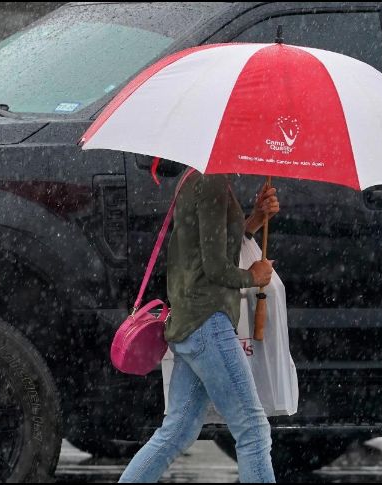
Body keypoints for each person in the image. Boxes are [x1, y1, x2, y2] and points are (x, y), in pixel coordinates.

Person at [119, 173, 280, 483]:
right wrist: (252, 277)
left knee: (177, 431)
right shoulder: (212, 183)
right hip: (208, 322)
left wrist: (256, 220)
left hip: (192, 321)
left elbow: (209, 246)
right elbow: (215, 266)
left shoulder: (197, 179)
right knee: (253, 430)